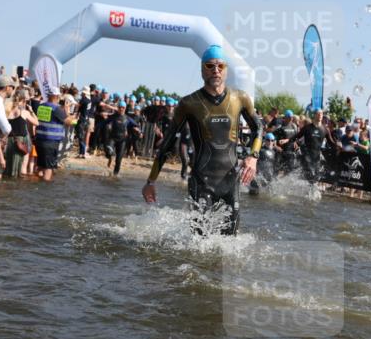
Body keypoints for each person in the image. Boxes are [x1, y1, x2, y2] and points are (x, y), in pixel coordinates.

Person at [142, 45, 262, 236]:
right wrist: (150, 181)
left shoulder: (240, 98)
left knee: (230, 242)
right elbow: (168, 142)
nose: (215, 70)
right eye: (210, 66)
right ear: (201, 70)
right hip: (201, 182)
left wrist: (253, 157)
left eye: (220, 66)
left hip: (230, 182)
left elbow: (259, 128)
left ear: (226, 70)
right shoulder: (189, 103)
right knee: (199, 244)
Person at [34, 88, 67, 182]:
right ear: (56, 96)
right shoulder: (56, 108)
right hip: (50, 142)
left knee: (40, 166)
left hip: (40, 140)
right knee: (48, 168)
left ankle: (37, 185)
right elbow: (67, 121)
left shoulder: (41, 106)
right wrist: (67, 110)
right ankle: (45, 188)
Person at [3, 89, 38, 179]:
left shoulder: (7, 112)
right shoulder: (24, 113)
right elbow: (37, 123)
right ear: (23, 101)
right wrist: (32, 111)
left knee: (9, 164)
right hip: (21, 141)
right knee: (20, 164)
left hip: (9, 140)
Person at [292, 109, 328, 183]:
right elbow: (297, 136)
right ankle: (307, 189)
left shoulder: (324, 129)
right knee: (311, 174)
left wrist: (338, 144)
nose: (320, 115)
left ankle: (309, 190)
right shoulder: (307, 128)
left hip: (316, 156)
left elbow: (331, 141)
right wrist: (287, 140)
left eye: (321, 114)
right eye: (318, 114)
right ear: (314, 115)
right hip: (307, 154)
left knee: (316, 176)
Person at [105, 101, 140, 177]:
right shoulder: (113, 116)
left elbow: (136, 125)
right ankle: (110, 158)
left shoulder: (127, 118)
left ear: (125, 108)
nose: (121, 109)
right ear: (117, 108)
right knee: (108, 151)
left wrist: (138, 130)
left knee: (119, 160)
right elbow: (105, 122)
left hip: (122, 140)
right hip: (113, 138)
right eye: (120, 107)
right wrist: (108, 126)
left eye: (123, 108)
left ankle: (115, 175)